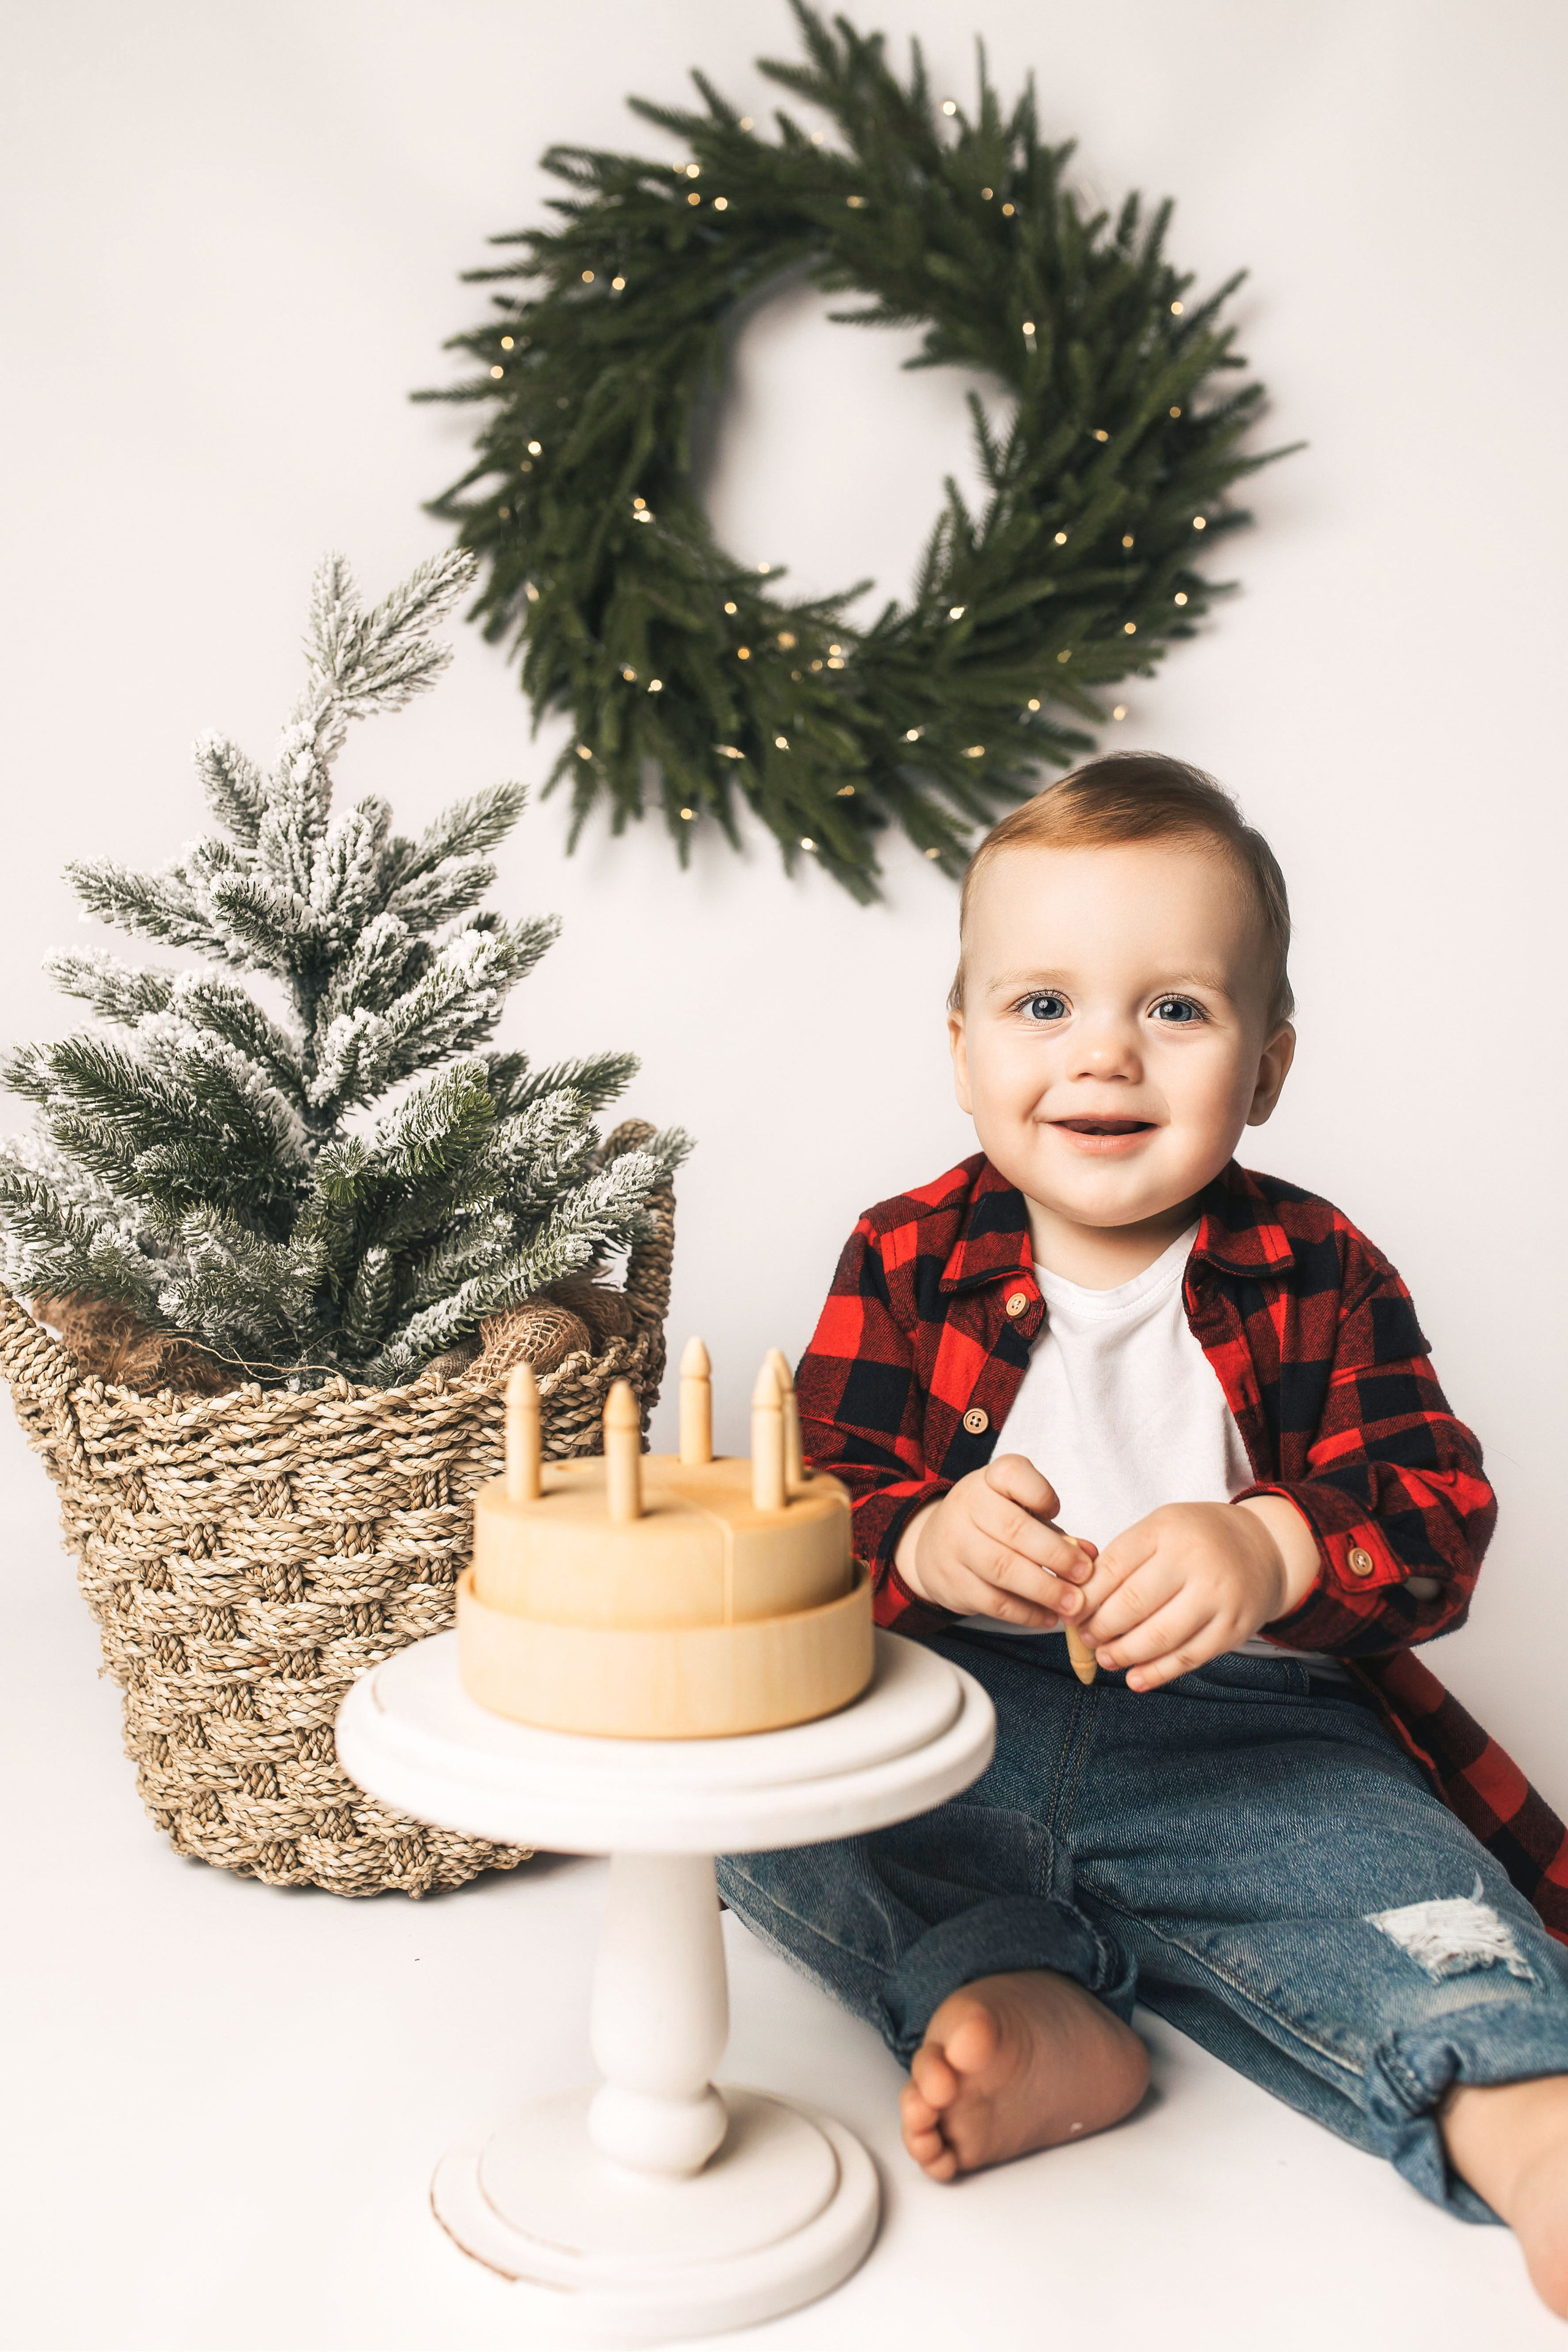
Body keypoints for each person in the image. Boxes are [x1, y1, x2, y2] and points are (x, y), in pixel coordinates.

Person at [717, 753, 1568, 2316]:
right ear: (961, 1047)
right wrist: (914, 1546)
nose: (1103, 1052)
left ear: (1266, 1064)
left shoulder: (1317, 1263)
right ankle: (1020, 2001)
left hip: (1253, 1731)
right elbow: (806, 1500)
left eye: (1174, 1009)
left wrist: (1277, 1550)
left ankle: (1527, 2121)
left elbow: (1434, 1512)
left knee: (1394, 1883)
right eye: (1041, 1005)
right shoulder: (904, 1254)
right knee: (766, 1824)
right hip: (954, 1713)